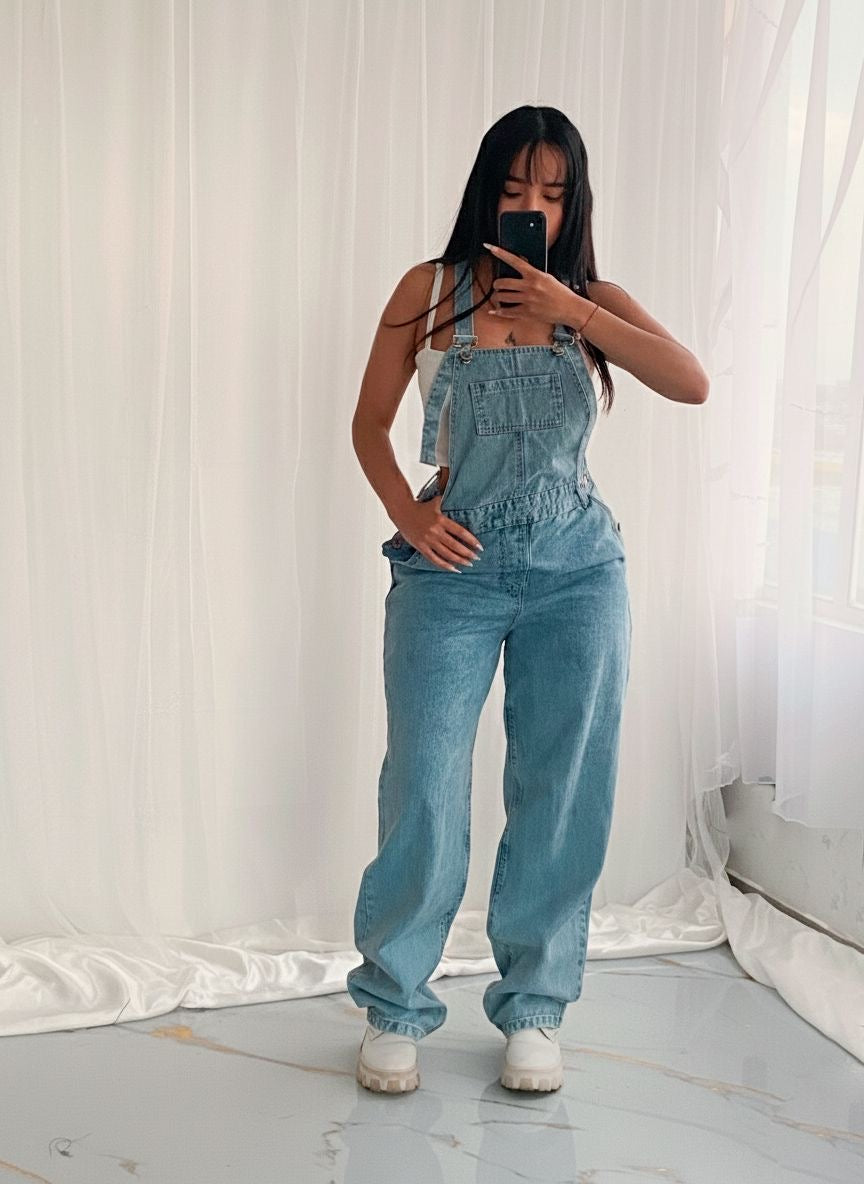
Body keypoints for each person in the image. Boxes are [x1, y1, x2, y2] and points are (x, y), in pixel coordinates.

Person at [346, 105, 709, 1094]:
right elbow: (369, 423)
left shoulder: (595, 300)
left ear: (574, 202)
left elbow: (691, 382)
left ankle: (536, 1007)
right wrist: (408, 514)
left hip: (577, 572)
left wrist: (573, 310)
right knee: (424, 784)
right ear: (486, 193)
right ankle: (395, 1003)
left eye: (552, 193)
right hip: (450, 570)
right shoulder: (427, 291)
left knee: (561, 788)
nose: (532, 207)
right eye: (514, 189)